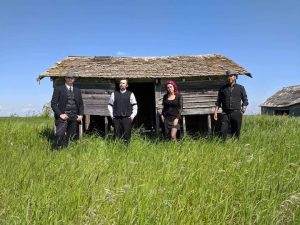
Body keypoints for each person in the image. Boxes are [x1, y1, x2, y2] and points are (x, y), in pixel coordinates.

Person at [51, 70, 84, 149]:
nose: (70, 79)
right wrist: (60, 114)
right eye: (68, 77)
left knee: (71, 136)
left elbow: (81, 104)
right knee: (59, 134)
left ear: (74, 79)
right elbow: (53, 104)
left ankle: (64, 151)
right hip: (63, 116)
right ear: (65, 78)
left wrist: (81, 115)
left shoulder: (77, 90)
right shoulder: (58, 89)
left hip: (74, 116)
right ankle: (54, 150)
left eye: (72, 78)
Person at [213, 69, 249, 140]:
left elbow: (245, 100)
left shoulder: (240, 88)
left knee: (236, 132)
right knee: (223, 131)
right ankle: (223, 147)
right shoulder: (222, 89)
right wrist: (215, 112)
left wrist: (242, 111)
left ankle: (236, 146)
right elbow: (218, 101)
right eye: (228, 76)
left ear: (235, 77)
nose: (229, 77)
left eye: (231, 76)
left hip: (236, 113)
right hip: (225, 113)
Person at [108, 79, 138, 143]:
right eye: (120, 83)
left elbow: (135, 106)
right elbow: (110, 105)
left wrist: (132, 116)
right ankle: (117, 150)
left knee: (127, 136)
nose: (121, 84)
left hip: (127, 118)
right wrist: (112, 116)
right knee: (117, 135)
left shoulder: (130, 94)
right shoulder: (114, 94)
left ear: (127, 85)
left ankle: (126, 150)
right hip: (116, 118)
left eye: (123, 83)